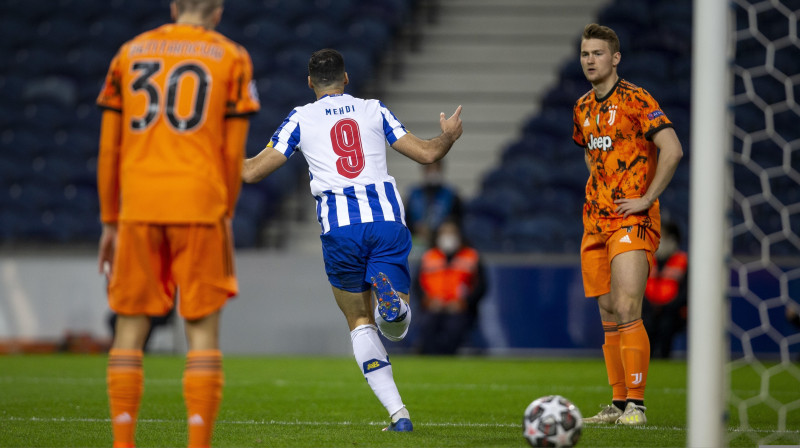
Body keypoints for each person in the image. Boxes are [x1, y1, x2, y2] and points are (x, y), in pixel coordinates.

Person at [242, 48, 463, 432]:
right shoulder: (373, 109)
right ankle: (389, 308)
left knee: (359, 322)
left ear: (309, 83)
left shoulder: (300, 117)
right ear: (346, 79)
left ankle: (399, 414)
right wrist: (448, 137)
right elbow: (428, 154)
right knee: (397, 327)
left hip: (340, 229)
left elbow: (252, 173)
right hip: (386, 221)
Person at [96, 1, 260, 446]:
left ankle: (123, 443)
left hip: (139, 205)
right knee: (202, 329)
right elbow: (232, 154)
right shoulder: (232, 57)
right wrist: (223, 211)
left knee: (130, 327)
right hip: (201, 204)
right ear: (218, 11)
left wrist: (110, 220)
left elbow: (110, 149)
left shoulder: (129, 52)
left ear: (174, 6)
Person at [572, 23, 683, 426]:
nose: (590, 60)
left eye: (597, 53)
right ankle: (618, 404)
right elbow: (590, 153)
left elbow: (672, 149)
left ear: (615, 58)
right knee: (606, 310)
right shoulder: (582, 107)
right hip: (595, 220)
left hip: (632, 218)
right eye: (585, 53)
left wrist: (647, 198)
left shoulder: (638, 99)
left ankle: (637, 404)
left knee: (626, 305)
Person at [414, 219, 486, 354]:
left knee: (454, 328)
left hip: (460, 309)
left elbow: (481, 286)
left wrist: (464, 303)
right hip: (433, 307)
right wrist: (429, 301)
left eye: (451, 233)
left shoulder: (471, 256)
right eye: (444, 233)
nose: (448, 237)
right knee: (427, 326)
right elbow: (417, 285)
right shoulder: (429, 256)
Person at [641, 221, 688, 359]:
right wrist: (650, 306)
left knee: (666, 325)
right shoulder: (647, 260)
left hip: (673, 312)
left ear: (674, 241)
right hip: (649, 310)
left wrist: (668, 307)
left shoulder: (683, 261)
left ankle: (664, 356)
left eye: (663, 237)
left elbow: (685, 292)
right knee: (646, 324)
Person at [404, 160, 463, 246]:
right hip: (417, 238)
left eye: (436, 168)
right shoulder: (413, 194)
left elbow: (458, 219)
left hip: (442, 239)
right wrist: (415, 227)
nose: (433, 172)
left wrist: (446, 227)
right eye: (429, 168)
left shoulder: (451, 194)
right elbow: (405, 219)